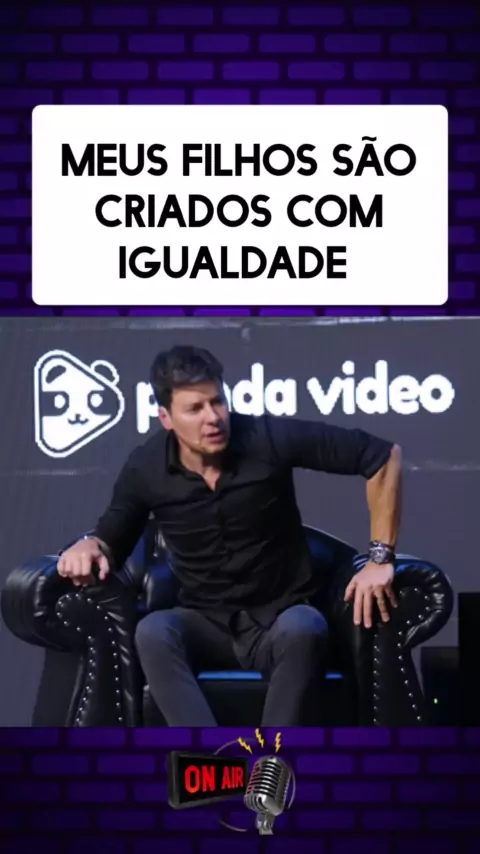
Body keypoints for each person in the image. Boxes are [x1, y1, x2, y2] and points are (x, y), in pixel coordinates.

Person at [57, 345, 401, 726]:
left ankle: (270, 759)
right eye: (195, 409)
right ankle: (210, 758)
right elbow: (110, 538)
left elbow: (382, 456)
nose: (213, 418)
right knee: (154, 631)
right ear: (166, 418)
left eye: (217, 401)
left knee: (306, 626)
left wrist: (380, 558)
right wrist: (89, 545)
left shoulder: (266, 437)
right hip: (204, 623)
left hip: (280, 618)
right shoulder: (146, 467)